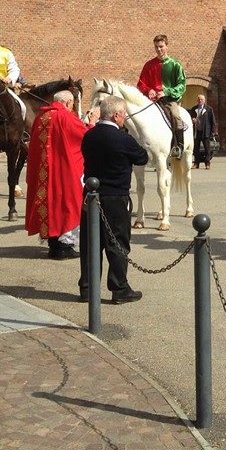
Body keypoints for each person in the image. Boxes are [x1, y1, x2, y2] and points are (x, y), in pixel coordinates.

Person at [79, 95, 148, 304]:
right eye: (124, 114)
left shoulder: (89, 136)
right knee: (117, 243)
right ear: (117, 115)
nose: (125, 117)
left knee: (90, 244)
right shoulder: (123, 138)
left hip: (91, 197)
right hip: (116, 197)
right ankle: (119, 288)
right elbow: (142, 157)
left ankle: (87, 288)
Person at [25, 90, 92, 260]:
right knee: (67, 204)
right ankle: (64, 246)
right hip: (63, 170)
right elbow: (84, 137)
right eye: (72, 104)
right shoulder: (66, 117)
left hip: (44, 172)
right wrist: (92, 123)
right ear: (68, 102)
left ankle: (53, 245)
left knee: (49, 204)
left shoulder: (41, 117)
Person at [137, 34, 187, 159]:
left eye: (161, 46)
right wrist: (148, 90)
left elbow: (182, 85)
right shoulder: (149, 65)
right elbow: (141, 83)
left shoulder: (175, 65)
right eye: (156, 47)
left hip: (168, 100)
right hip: (151, 100)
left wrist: (167, 91)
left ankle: (178, 147)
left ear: (167, 46)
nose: (159, 49)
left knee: (175, 116)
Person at [190, 93, 217, 170]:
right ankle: (196, 163)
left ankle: (207, 163)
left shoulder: (209, 109)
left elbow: (213, 121)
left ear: (204, 100)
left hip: (206, 131)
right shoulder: (193, 109)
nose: (200, 100)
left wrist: (214, 131)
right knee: (196, 149)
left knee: (207, 149)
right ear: (197, 100)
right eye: (198, 99)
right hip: (196, 131)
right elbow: (190, 118)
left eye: (201, 99)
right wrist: (192, 120)